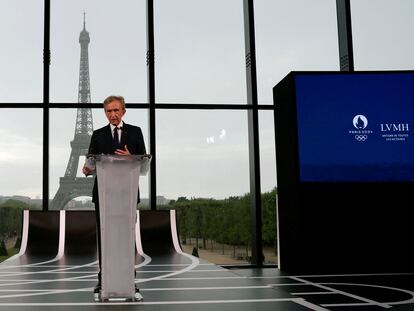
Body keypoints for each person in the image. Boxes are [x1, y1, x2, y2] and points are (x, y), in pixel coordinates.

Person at [82, 95, 146, 295]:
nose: (113, 114)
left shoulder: (136, 133)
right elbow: (91, 164)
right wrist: (87, 169)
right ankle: (104, 280)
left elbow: (144, 166)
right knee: (105, 238)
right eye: (109, 111)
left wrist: (131, 158)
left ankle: (129, 279)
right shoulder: (98, 134)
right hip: (104, 194)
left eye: (116, 110)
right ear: (105, 113)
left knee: (126, 237)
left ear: (124, 111)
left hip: (126, 194)